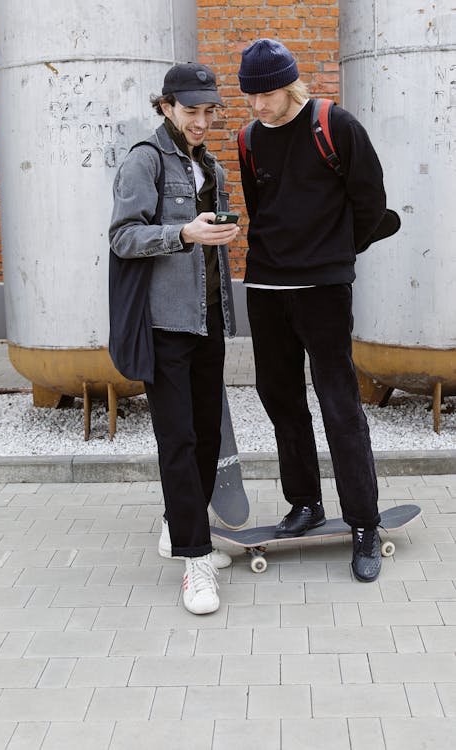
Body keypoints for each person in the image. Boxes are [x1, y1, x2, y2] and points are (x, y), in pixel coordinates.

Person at [237, 38, 388, 582]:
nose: (258, 106)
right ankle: (305, 502)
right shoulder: (249, 139)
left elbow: (371, 199)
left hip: (323, 287)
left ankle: (365, 523)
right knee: (279, 399)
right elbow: (262, 210)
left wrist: (338, 254)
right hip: (266, 287)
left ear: (289, 84)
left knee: (338, 403)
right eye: (250, 96)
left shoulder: (334, 124)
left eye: (267, 94)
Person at [109, 62, 240, 614]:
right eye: (192, 111)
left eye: (209, 111)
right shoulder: (145, 159)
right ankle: (194, 560)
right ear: (165, 106)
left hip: (208, 318)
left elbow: (211, 236)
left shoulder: (210, 164)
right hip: (165, 324)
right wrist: (183, 233)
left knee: (208, 433)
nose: (202, 121)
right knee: (179, 440)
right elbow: (123, 237)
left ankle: (175, 523)